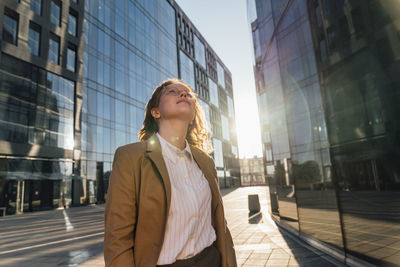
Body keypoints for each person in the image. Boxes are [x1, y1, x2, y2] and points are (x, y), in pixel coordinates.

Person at [104, 79, 237, 267]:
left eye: (188, 93)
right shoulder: (130, 158)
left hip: (211, 259)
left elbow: (220, 225)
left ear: (192, 116)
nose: (183, 94)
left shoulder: (206, 162)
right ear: (156, 112)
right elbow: (117, 239)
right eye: (172, 92)